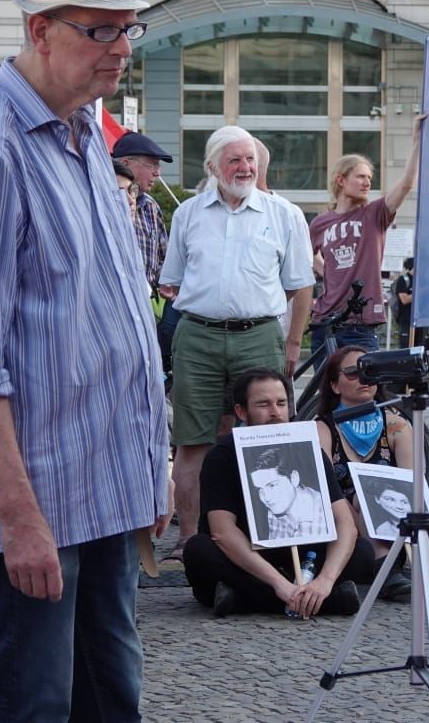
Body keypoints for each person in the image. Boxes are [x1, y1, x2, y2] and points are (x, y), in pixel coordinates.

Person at [0, 0, 172, 721]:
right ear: (40, 29)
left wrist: (149, 467)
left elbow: (113, 308)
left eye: (128, 28)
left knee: (112, 701)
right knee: (30, 706)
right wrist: (19, 518)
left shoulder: (84, 128)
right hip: (36, 504)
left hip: (105, 488)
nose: (122, 48)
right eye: (101, 30)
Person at [159, 124, 315, 551]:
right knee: (192, 441)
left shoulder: (284, 214)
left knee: (266, 438)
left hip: (259, 335)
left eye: (251, 160)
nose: (246, 168)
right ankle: (190, 542)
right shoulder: (188, 214)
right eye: (235, 160)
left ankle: (267, 538)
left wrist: (291, 341)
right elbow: (173, 281)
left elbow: (299, 285)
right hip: (197, 337)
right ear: (213, 167)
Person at [183, 368, 372, 618]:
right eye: (263, 404)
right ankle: (323, 601)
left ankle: (245, 600)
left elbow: (345, 523)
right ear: (241, 411)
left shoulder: (308, 448)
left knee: (362, 552)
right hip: (248, 558)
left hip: (306, 557)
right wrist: (279, 584)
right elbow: (222, 532)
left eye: (281, 403)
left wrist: (325, 580)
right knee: (198, 552)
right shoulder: (222, 456)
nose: (275, 412)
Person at [309, 115, 425, 353]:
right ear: (341, 180)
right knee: (325, 379)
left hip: (361, 324)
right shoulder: (320, 223)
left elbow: (406, 184)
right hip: (325, 321)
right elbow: (306, 255)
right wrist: (327, 271)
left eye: (369, 178)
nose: (367, 182)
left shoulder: (374, 214)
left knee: (362, 378)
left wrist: (417, 140)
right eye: (361, 176)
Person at [313, 345, 415, 600]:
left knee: (371, 492)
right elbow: (325, 490)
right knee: (361, 495)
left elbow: (412, 486)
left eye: (369, 371)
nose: (363, 379)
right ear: (334, 385)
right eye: (352, 373)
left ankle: (391, 564)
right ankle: (387, 568)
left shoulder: (397, 424)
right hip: (344, 533)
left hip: (393, 528)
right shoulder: (322, 428)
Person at [111, 131, 173, 290]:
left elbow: (163, 260)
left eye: (158, 166)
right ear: (126, 163)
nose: (157, 173)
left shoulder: (151, 207)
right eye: (152, 165)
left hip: (145, 299)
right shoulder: (99, 202)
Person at [394, 257, 416, 348]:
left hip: (419, 321)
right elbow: (404, 299)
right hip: (406, 320)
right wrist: (420, 293)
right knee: (405, 347)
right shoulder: (403, 279)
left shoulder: (422, 279)